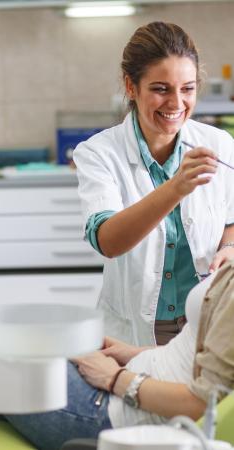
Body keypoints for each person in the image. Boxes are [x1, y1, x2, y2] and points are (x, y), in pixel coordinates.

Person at [72, 21, 234, 346]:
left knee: (205, 399)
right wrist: (176, 187)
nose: (176, 103)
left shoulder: (219, 143)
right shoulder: (99, 153)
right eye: (161, 89)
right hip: (136, 329)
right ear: (131, 87)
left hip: (207, 323)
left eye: (187, 89)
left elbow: (231, 219)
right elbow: (108, 241)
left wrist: (229, 249)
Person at [4, 260, 234, 450]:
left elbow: (203, 404)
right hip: (127, 384)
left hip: (115, 415)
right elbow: (204, 351)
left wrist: (113, 378)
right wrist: (131, 353)